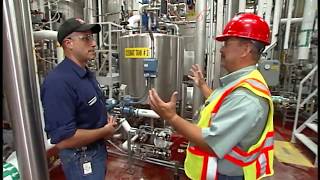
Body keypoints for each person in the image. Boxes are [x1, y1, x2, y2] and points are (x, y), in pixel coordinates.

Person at [148, 13, 274, 180]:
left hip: (224, 175)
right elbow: (221, 103)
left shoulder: (246, 96)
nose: (221, 49)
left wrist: (171, 117)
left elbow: (211, 143)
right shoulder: (241, 81)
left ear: (246, 49)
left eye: (227, 44)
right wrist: (202, 85)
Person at [40, 18, 117, 180]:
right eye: (86, 38)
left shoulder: (85, 73)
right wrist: (104, 131)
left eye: (92, 38)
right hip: (81, 158)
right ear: (69, 43)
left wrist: (104, 121)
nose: (94, 44)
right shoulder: (59, 82)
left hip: (96, 150)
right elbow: (64, 140)